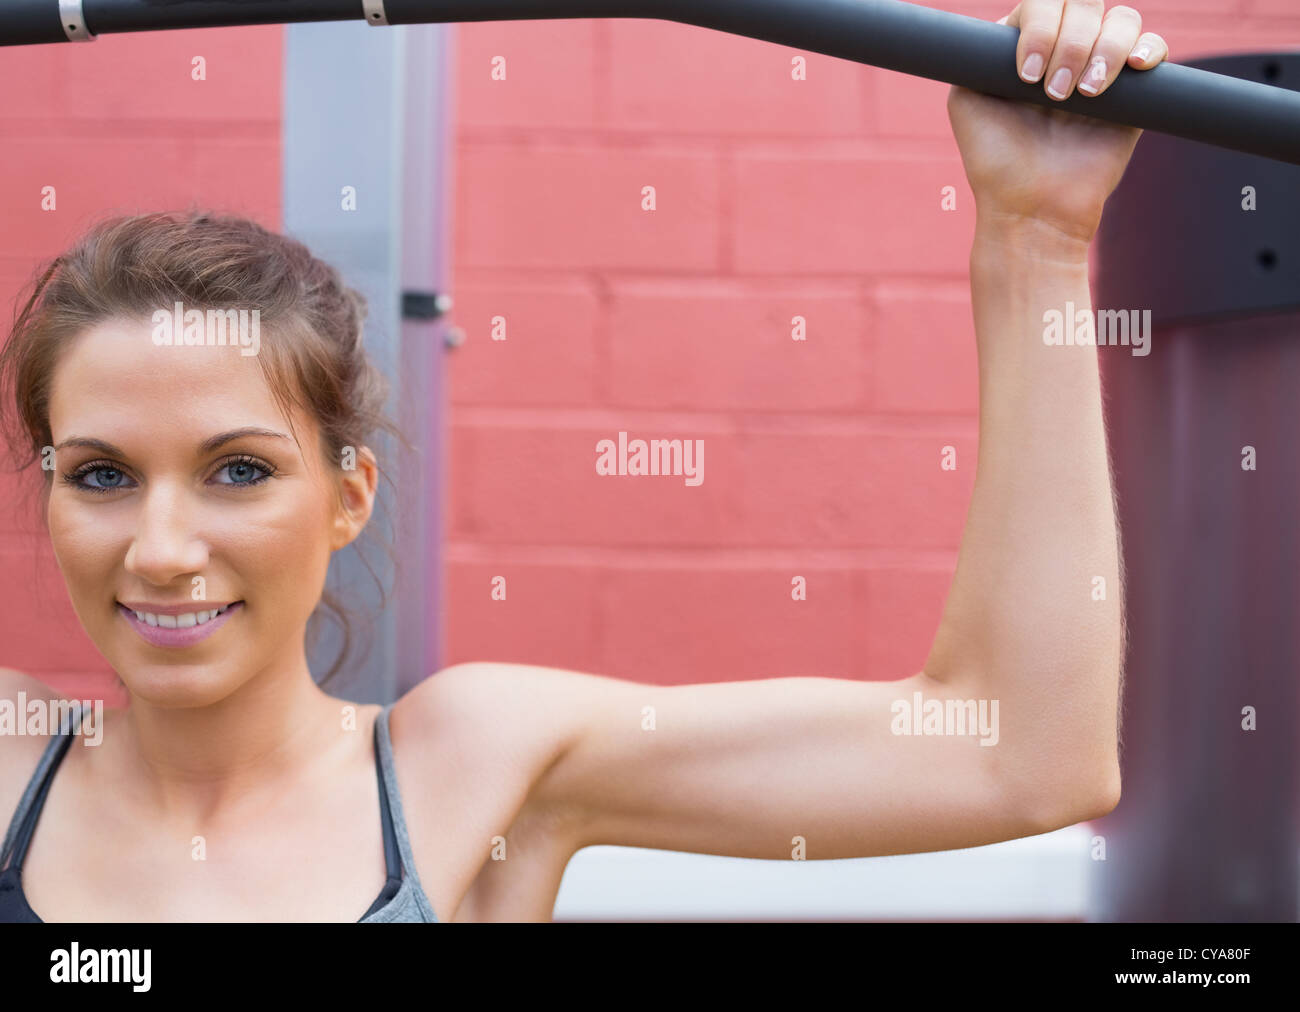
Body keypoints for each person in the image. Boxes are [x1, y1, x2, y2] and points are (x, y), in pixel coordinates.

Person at [0, 1, 1169, 922]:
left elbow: (1016, 749)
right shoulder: (12, 764)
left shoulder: (475, 765)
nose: (160, 549)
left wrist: (1036, 238)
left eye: (239, 470)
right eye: (100, 474)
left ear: (348, 494)